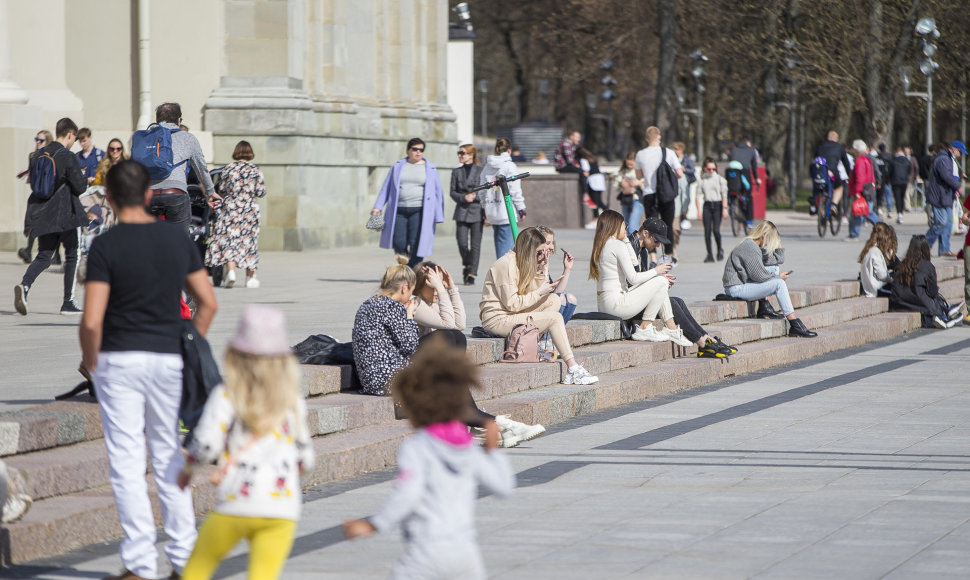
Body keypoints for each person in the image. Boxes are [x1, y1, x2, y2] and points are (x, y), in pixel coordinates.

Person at [79, 160, 218, 580]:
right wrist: (188, 341)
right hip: (167, 359)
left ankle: (139, 563)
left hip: (118, 361)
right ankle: (184, 559)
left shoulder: (105, 246)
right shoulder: (176, 240)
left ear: (108, 198)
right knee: (168, 456)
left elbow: (90, 321)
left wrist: (91, 362)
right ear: (149, 195)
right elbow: (209, 303)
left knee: (126, 461)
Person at [343, 339, 515, 580]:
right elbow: (503, 486)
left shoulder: (418, 447)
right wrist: (492, 449)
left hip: (425, 554)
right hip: (466, 555)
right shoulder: (469, 449)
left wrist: (374, 524)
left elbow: (408, 493)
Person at [177, 306, 313, 580]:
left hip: (237, 501)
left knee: (196, 569)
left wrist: (187, 467)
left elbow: (206, 444)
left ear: (236, 355)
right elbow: (306, 458)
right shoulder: (292, 401)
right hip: (282, 509)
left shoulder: (226, 394)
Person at [412, 261, 544, 447]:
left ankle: (484, 423)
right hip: (411, 369)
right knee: (449, 337)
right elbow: (449, 326)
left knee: (456, 337)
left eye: (438, 285)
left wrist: (452, 290)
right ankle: (502, 424)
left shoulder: (428, 302)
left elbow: (459, 325)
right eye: (432, 285)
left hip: (428, 367)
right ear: (420, 284)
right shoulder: (415, 302)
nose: (436, 290)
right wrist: (441, 289)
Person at [480, 228, 599, 385]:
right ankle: (572, 368)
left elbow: (533, 293)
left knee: (553, 300)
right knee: (555, 318)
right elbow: (513, 304)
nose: (542, 256)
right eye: (539, 252)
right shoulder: (506, 264)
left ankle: (539, 345)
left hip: (511, 314)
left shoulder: (523, 261)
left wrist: (544, 268)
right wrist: (539, 292)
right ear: (528, 250)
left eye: (544, 252)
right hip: (497, 319)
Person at [628, 218, 737, 357]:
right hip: (628, 303)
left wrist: (656, 280)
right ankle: (702, 343)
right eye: (656, 241)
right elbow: (631, 282)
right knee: (673, 303)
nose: (657, 245)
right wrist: (656, 277)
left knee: (678, 301)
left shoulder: (642, 249)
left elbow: (640, 278)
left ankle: (706, 338)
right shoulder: (630, 247)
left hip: (637, 298)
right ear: (645, 233)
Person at [15, 117, 89, 316]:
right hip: (66, 214)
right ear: (70, 134)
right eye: (74, 138)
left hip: (43, 213)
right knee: (72, 254)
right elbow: (80, 187)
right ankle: (68, 302)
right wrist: (83, 177)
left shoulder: (39, 154)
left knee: (44, 256)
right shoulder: (67, 156)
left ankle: (25, 285)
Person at [589, 211, 693, 346]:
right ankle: (646, 328)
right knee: (661, 281)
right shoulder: (616, 245)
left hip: (606, 303)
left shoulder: (605, 243)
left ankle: (671, 329)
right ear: (614, 226)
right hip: (616, 304)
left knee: (659, 283)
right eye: (623, 225)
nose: (626, 227)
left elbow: (634, 262)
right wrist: (656, 271)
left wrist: (626, 239)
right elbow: (633, 277)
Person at [722, 220, 818, 338]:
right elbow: (759, 276)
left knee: (773, 268)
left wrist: (779, 242)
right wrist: (779, 278)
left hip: (743, 284)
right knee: (779, 284)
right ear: (764, 236)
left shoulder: (755, 246)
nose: (770, 243)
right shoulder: (750, 247)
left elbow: (777, 260)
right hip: (736, 288)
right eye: (771, 239)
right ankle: (795, 324)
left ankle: (764, 306)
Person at [373, 137, 445, 268]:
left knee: (416, 243)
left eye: (421, 150)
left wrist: (438, 215)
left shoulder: (430, 168)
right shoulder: (398, 166)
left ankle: (413, 270)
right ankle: (406, 266)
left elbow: (438, 193)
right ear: (408, 150)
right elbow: (386, 187)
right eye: (415, 149)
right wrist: (378, 207)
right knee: (398, 242)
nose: (418, 152)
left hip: (419, 211)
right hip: (398, 210)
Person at [204, 140, 266, 289]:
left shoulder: (228, 169)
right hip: (249, 209)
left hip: (231, 208)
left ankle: (231, 272)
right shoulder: (255, 170)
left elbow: (223, 189)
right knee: (249, 243)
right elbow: (261, 192)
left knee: (230, 241)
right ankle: (250, 278)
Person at [147, 103, 219, 226]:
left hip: (148, 195)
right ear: (179, 120)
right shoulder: (188, 138)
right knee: (180, 239)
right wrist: (210, 191)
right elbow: (201, 169)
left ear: (157, 120)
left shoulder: (145, 137)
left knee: (147, 237)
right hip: (175, 193)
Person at [889, 235, 963, 328]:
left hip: (898, 304)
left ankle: (947, 310)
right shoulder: (928, 266)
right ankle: (945, 314)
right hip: (920, 304)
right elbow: (932, 292)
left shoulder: (901, 265)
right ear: (926, 249)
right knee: (934, 297)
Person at [634, 126, 682, 255]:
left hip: (649, 194)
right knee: (668, 225)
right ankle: (669, 255)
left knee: (651, 228)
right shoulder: (668, 152)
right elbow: (680, 173)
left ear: (646, 138)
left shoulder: (640, 154)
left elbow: (639, 176)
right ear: (659, 137)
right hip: (666, 194)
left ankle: (653, 257)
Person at [480, 137, 526, 259]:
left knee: (501, 245)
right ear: (509, 151)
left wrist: (484, 208)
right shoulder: (510, 166)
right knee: (508, 250)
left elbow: (482, 190)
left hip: (492, 210)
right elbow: (515, 190)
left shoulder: (487, 166)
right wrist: (521, 209)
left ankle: (502, 272)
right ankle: (505, 275)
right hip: (507, 211)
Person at [16, 130, 54, 264]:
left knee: (49, 224)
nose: (38, 142)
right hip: (36, 193)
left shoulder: (52, 156)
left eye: (41, 140)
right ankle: (28, 250)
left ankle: (52, 254)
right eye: (36, 139)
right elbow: (32, 172)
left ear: (48, 141)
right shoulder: (33, 156)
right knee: (32, 221)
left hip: (49, 194)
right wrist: (25, 173)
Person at [450, 144, 484, 285]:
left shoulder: (481, 171)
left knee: (475, 245)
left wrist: (474, 197)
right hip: (462, 210)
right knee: (462, 242)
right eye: (459, 153)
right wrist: (463, 198)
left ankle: (471, 273)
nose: (460, 155)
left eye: (462, 153)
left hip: (476, 210)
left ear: (471, 155)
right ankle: (468, 264)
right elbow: (452, 191)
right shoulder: (456, 172)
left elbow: (486, 191)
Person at [925, 141, 965, 258]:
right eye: (960, 152)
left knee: (947, 223)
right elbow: (946, 176)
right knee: (941, 222)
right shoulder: (943, 159)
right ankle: (923, 248)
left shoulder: (947, 158)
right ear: (954, 149)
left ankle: (944, 250)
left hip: (945, 196)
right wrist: (957, 186)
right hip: (938, 196)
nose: (960, 156)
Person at [847, 139, 882, 240]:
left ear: (856, 150)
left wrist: (857, 191)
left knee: (861, 212)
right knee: (865, 212)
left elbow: (860, 177)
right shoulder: (867, 159)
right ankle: (882, 228)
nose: (852, 151)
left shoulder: (859, 161)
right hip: (869, 189)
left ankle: (854, 234)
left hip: (863, 190)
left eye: (854, 149)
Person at [695, 157, 728, 263]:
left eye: (714, 168)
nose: (712, 171)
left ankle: (719, 250)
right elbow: (697, 196)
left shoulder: (720, 179)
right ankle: (709, 254)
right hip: (707, 206)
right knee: (707, 231)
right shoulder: (702, 180)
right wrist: (699, 211)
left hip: (718, 205)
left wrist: (725, 208)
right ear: (705, 168)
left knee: (716, 230)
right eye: (709, 169)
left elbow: (724, 195)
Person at [816, 130, 853, 211]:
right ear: (836, 139)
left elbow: (815, 160)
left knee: (820, 188)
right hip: (833, 173)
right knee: (839, 187)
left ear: (827, 138)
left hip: (821, 173)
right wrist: (849, 175)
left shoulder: (820, 146)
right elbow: (846, 163)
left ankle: (821, 212)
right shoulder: (840, 147)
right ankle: (834, 204)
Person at [859, 222, 898, 298]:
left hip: (871, 288)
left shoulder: (869, 249)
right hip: (877, 289)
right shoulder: (875, 252)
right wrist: (893, 279)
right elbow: (882, 276)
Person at [613, 152, 644, 233]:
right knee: (626, 224)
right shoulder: (622, 172)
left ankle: (633, 243)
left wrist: (638, 183)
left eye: (631, 164)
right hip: (625, 199)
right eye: (628, 164)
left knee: (632, 226)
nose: (629, 166)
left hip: (637, 199)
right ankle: (629, 243)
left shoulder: (640, 171)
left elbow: (647, 186)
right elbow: (615, 186)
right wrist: (621, 183)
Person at [578, 148, 607, 229]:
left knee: (594, 201)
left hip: (593, 181)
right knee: (599, 201)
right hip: (599, 179)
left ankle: (596, 219)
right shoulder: (592, 158)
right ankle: (607, 216)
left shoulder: (583, 160)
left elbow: (586, 172)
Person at [888, 146, 912, 224]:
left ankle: (899, 214)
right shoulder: (907, 160)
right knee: (902, 197)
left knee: (897, 198)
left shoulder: (893, 160)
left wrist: (889, 180)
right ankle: (901, 213)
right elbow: (909, 170)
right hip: (904, 181)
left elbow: (890, 171)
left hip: (895, 181)